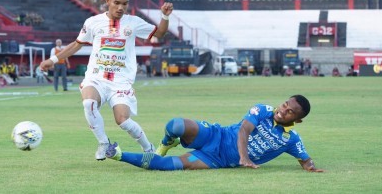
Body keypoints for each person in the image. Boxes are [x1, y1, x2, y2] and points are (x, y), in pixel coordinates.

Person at [40, 0, 173, 160]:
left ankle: (148, 149)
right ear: (107, 1)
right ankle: (103, 143)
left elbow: (160, 33)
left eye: (124, 4)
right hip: (96, 78)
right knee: (88, 103)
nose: (120, 8)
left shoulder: (133, 23)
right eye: (116, 3)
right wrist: (53, 60)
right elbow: (77, 44)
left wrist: (164, 15)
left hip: (121, 81)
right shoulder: (93, 22)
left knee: (123, 120)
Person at [105, 95, 324, 173]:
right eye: (285, 104)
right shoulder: (263, 110)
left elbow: (305, 159)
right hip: (215, 135)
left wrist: (311, 167)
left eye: (290, 112)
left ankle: (117, 154)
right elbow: (244, 130)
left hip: (214, 159)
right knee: (176, 125)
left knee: (166, 166)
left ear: (297, 120)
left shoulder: (291, 140)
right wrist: (244, 157)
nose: (283, 110)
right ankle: (165, 144)